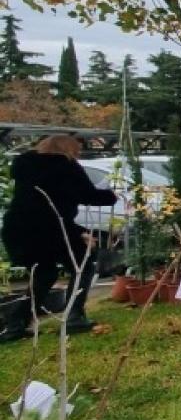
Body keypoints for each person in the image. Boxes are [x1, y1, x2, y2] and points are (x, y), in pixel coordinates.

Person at [1, 135, 118, 340]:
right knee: (83, 263)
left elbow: (40, 205)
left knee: (44, 273)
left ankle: (15, 324)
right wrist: (111, 195)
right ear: (68, 149)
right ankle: (74, 315)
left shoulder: (24, 165)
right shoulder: (65, 166)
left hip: (18, 228)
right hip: (50, 227)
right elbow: (88, 195)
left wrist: (76, 230)